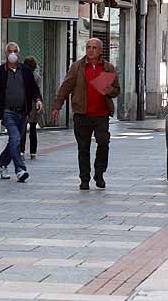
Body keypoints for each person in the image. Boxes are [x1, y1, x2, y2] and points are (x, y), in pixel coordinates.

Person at [52, 37, 121, 190]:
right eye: (88, 47)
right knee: (83, 147)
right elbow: (65, 87)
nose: (90, 50)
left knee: (103, 143)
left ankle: (99, 173)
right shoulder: (77, 67)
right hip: (81, 114)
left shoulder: (108, 68)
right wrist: (57, 106)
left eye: (94, 48)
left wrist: (109, 90)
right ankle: (84, 179)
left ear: (100, 50)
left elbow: (117, 90)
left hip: (101, 115)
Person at [0, 42, 42, 182]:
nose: (12, 54)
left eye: (15, 51)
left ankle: (2, 163)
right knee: (16, 138)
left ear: (19, 53)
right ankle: (20, 170)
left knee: (14, 140)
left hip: (23, 112)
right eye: (10, 51)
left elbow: (34, 89)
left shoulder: (25, 71)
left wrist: (38, 100)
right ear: (6, 54)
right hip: (7, 111)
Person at [19, 56, 41, 159]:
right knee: (33, 129)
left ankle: (21, 151)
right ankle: (33, 152)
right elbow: (38, 91)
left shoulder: (22, 76)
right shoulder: (37, 76)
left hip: (25, 104)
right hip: (35, 105)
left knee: (23, 129)